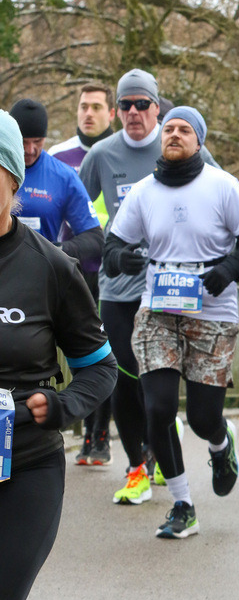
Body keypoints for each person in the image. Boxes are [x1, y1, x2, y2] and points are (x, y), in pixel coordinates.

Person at [0, 109, 117, 600]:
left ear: (15, 182)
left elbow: (101, 370)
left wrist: (61, 405)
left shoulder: (50, 266)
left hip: (26, 469)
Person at [103, 106, 239, 538]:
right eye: (169, 128)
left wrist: (227, 271)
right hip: (158, 309)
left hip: (212, 309)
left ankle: (219, 442)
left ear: (200, 141)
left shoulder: (223, 185)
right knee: (156, 407)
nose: (174, 134)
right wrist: (123, 258)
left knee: (201, 417)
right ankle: (182, 504)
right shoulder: (142, 192)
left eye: (184, 130)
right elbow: (112, 247)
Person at [80, 69, 219, 505]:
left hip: (173, 288)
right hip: (119, 288)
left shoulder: (183, 144)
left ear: (157, 107)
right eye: (125, 105)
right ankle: (136, 467)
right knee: (122, 378)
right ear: (116, 110)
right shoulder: (101, 155)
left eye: (143, 104)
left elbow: (222, 198)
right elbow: (77, 211)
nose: (134, 112)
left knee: (157, 384)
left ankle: (165, 449)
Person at [49, 81, 116, 465]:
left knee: (99, 352)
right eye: (83, 106)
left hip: (107, 270)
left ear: (110, 113)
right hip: (65, 267)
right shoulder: (57, 156)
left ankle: (100, 434)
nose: (88, 113)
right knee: (68, 350)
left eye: (96, 107)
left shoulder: (118, 154)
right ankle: (69, 426)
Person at [9, 98, 104, 273]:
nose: (30, 150)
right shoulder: (3, 169)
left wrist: (56, 250)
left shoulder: (63, 176)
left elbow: (95, 239)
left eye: (37, 141)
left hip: (42, 275)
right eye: (23, 142)